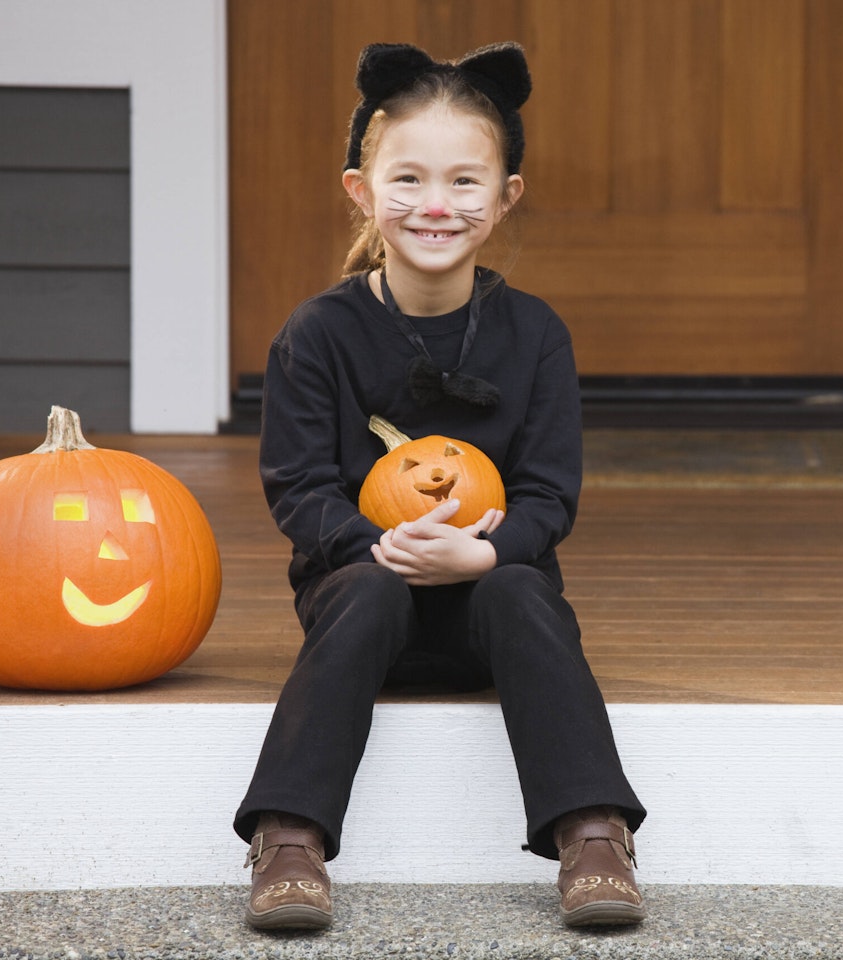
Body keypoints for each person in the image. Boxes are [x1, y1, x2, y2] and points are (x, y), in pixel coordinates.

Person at [233, 41, 647, 933]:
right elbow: (298, 487)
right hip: (362, 594)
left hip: (488, 605)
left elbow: (548, 495)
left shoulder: (535, 334)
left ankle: (592, 832)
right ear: (360, 189)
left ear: (506, 198)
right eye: (409, 179)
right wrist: (374, 546)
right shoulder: (318, 335)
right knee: (370, 594)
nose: (436, 205)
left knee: (523, 593)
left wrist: (486, 550)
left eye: (466, 182)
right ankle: (290, 835)